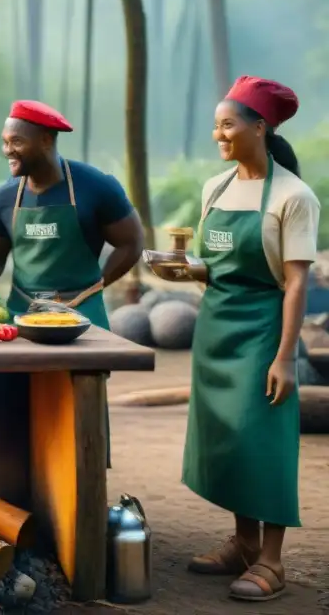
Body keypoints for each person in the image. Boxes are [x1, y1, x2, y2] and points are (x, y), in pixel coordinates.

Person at [165, 76, 319, 603]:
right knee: (230, 438)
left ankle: (272, 562)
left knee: (265, 442)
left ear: (260, 126)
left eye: (228, 124)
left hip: (263, 329)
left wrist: (284, 357)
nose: (219, 135)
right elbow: (215, 263)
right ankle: (243, 542)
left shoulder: (294, 196)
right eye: (215, 126)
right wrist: (188, 271)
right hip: (217, 327)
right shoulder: (217, 188)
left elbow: (296, 280)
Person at [0, 99, 144, 328]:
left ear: (45, 140)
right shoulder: (2, 199)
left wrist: (99, 284)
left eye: (17, 141)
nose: (7, 151)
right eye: (5, 142)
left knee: (89, 364)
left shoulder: (96, 187)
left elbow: (131, 242)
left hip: (83, 314)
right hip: (23, 314)